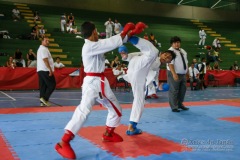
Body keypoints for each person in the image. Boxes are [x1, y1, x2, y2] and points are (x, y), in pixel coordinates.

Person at [55, 21, 141, 159]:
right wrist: (124, 32)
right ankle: (63, 142)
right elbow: (110, 43)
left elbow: (110, 42)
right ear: (93, 32)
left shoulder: (96, 44)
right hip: (91, 83)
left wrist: (132, 33)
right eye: (96, 31)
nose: (98, 33)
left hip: (101, 82)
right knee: (84, 110)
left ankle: (108, 134)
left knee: (117, 110)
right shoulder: (89, 46)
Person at [118, 30, 176, 136]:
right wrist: (126, 56)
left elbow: (153, 78)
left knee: (139, 100)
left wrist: (160, 87)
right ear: (162, 54)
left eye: (169, 58)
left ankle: (132, 126)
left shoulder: (157, 67)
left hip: (137, 75)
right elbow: (137, 54)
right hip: (134, 68)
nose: (166, 58)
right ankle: (130, 37)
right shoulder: (154, 56)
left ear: (168, 62)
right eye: (166, 55)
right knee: (153, 52)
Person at [167, 36, 189, 112]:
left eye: (178, 42)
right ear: (172, 44)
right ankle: (174, 107)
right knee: (174, 90)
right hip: (174, 73)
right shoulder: (170, 52)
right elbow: (170, 64)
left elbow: (186, 62)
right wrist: (174, 74)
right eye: (175, 43)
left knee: (183, 90)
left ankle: (180, 104)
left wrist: (187, 72)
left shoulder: (183, 51)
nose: (177, 44)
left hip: (183, 74)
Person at [37, 37, 56, 106]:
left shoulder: (41, 49)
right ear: (42, 41)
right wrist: (50, 69)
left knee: (43, 86)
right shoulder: (43, 49)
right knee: (52, 85)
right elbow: (45, 60)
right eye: (46, 40)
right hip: (45, 70)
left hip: (40, 70)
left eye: (48, 40)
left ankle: (42, 103)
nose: (48, 42)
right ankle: (44, 99)